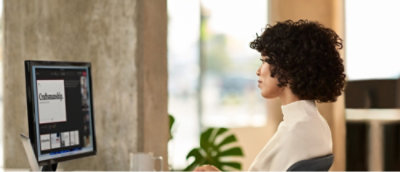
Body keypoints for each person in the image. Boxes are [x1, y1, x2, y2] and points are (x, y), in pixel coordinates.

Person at [193, 19, 345, 171]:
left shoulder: (293, 133)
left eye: (265, 61)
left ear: (288, 67)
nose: (259, 71)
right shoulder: (318, 125)